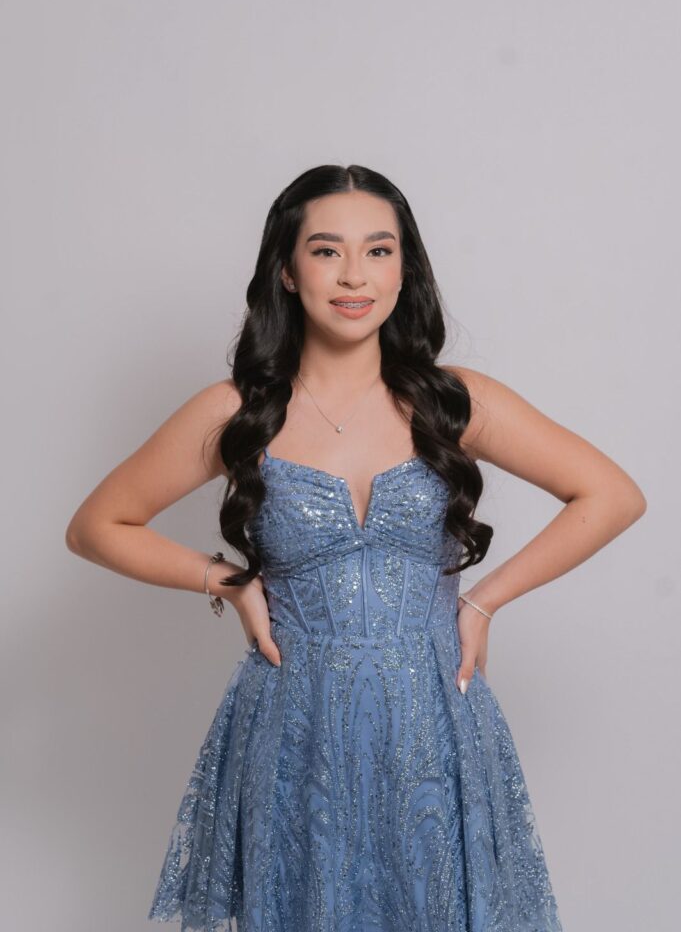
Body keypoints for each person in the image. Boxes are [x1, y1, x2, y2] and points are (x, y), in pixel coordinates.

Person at [65, 163, 646, 932]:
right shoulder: (237, 412)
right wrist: (227, 582)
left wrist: (482, 602)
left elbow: (611, 495)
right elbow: (96, 525)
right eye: (325, 251)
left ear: (404, 270)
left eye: (378, 250)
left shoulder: (451, 401)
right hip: (296, 728)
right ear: (286, 270)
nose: (353, 275)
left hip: (433, 721)